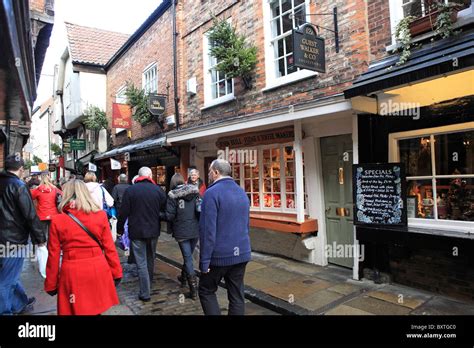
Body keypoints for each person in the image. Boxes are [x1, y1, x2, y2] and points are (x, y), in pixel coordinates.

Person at [44, 180, 122, 315]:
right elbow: (109, 248)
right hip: (97, 269)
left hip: (72, 272)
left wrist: (51, 283)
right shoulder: (100, 216)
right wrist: (116, 272)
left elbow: (53, 255)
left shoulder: (58, 220)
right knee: (96, 309)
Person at [198, 159, 251, 315]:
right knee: (236, 296)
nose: (208, 175)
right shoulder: (241, 191)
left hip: (219, 255)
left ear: (216, 172)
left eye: (209, 171)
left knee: (206, 290)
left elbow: (208, 231)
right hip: (241, 252)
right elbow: (246, 224)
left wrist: (204, 260)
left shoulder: (211, 193)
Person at [0, 154, 46, 315]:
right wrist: (40, 239)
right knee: (7, 279)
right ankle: (5, 311)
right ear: (21, 169)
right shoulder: (18, 185)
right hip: (13, 239)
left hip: (6, 238)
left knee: (10, 273)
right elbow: (29, 214)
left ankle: (20, 303)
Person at [118, 167, 166, 302]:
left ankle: (145, 292)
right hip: (153, 231)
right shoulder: (158, 190)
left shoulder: (131, 190)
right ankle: (148, 284)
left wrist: (120, 229)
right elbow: (165, 208)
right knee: (150, 258)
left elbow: (123, 212)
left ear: (138, 176)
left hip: (137, 230)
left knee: (141, 262)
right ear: (150, 176)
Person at [164, 173, 200, 299]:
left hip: (181, 231)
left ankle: (193, 289)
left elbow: (169, 216)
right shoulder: (194, 192)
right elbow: (199, 210)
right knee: (188, 256)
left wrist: (159, 215)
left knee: (188, 258)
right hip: (195, 229)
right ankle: (184, 277)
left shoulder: (172, 196)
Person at [31, 174, 62, 239]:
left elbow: (30, 197)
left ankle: (43, 247)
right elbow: (62, 195)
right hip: (53, 214)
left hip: (41, 214)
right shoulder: (55, 189)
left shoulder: (38, 189)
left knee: (42, 234)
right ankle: (50, 247)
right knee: (52, 235)